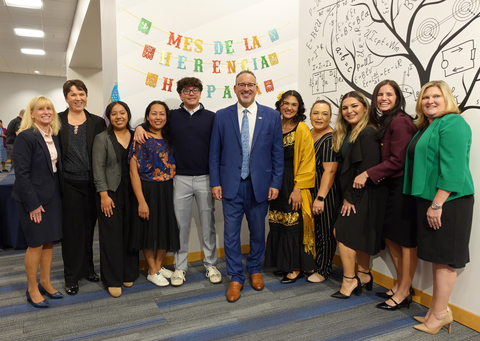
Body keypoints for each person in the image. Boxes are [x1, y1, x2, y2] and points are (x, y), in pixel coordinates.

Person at [134, 77, 220, 287]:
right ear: (180, 93)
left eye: (195, 89)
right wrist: (137, 128)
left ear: (201, 92)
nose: (191, 93)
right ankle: (180, 267)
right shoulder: (171, 116)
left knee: (207, 223)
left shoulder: (212, 117)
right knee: (180, 225)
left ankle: (210, 264)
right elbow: (154, 124)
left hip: (205, 177)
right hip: (178, 178)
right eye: (186, 90)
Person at [404, 80, 474, 335]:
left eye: (435, 96)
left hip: (449, 202)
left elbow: (453, 167)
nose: (429, 101)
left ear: (446, 99)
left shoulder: (453, 122)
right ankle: (437, 310)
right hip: (434, 200)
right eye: (425, 97)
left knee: (445, 261)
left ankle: (441, 314)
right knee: (436, 257)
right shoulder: (430, 125)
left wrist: (437, 203)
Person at [209, 70, 284, 302]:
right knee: (230, 235)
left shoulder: (271, 116)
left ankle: (254, 269)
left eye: (250, 84)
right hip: (231, 185)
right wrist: (215, 182)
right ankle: (235, 277)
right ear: (235, 88)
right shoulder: (222, 116)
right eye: (241, 84)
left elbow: (277, 153)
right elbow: (214, 153)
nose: (246, 88)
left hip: (259, 185)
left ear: (257, 88)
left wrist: (276, 183)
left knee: (258, 232)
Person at [352, 80, 418, 310]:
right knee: (390, 238)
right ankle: (402, 286)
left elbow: (398, 160)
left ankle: (403, 292)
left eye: (389, 94)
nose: (384, 98)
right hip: (389, 187)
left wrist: (367, 174)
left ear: (397, 97)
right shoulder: (385, 121)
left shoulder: (400, 122)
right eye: (380, 94)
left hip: (401, 187)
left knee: (403, 242)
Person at [330, 91, 387, 299]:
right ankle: (363, 274)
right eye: (345, 108)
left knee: (342, 233)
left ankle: (349, 280)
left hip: (363, 194)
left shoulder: (368, 133)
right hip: (354, 192)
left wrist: (351, 197)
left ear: (365, 107)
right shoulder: (349, 132)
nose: (349, 111)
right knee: (359, 233)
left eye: (354, 106)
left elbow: (367, 169)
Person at [11, 96, 63, 308]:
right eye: (40, 109)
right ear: (31, 114)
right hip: (31, 198)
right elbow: (21, 174)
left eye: (49, 108)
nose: (45, 112)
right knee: (36, 243)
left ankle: (45, 282)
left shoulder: (53, 135)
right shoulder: (26, 137)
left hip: (51, 197)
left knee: (49, 241)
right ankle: (32, 288)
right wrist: (32, 203)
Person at [58, 79, 106, 295]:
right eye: (73, 94)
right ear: (66, 97)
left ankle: (88, 269)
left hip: (93, 185)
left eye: (81, 94)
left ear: (86, 96)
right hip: (69, 185)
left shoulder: (97, 121)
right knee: (72, 233)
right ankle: (71, 276)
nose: (78, 98)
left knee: (89, 230)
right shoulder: (57, 121)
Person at [265, 90, 315, 284]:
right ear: (280, 105)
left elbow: (308, 162)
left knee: (293, 227)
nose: (289, 108)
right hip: (276, 183)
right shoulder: (274, 126)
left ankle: (295, 268)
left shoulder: (302, 129)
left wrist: (298, 189)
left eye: (294, 105)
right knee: (278, 224)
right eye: (286, 103)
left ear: (299, 107)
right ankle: (284, 264)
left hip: (293, 184)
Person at [129, 100, 180, 287]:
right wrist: (141, 201)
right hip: (148, 189)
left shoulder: (169, 137)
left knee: (165, 229)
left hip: (167, 188)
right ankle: (152, 270)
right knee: (148, 232)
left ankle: (158, 267)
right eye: (153, 113)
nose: (158, 117)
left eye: (162, 114)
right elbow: (133, 172)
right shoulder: (141, 138)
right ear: (147, 116)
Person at [92, 101, 139, 298]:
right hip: (110, 192)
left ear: (128, 115)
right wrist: (103, 194)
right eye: (114, 114)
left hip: (134, 191)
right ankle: (112, 278)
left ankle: (128, 272)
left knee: (130, 232)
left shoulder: (137, 134)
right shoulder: (102, 138)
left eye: (122, 113)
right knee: (111, 236)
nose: (118, 116)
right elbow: (98, 167)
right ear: (109, 118)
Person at [308, 100, 339, 283]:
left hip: (325, 191)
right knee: (315, 229)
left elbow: (330, 170)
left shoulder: (330, 138)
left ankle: (323, 269)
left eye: (325, 114)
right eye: (316, 113)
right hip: (310, 189)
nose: (320, 117)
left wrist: (320, 198)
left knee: (325, 231)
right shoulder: (309, 133)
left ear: (330, 117)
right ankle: (315, 263)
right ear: (310, 114)